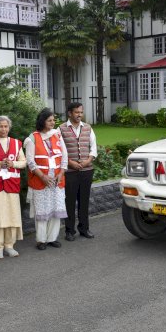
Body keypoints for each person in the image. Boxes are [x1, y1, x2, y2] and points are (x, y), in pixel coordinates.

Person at [0, 116, 26, 259]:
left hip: (11, 186)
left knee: (12, 216)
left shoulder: (16, 143)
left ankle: (10, 246)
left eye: (6, 126)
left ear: (9, 127)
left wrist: (13, 164)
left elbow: (23, 162)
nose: (3, 129)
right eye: (1, 126)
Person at [25, 108, 67, 250]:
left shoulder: (57, 135)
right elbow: (30, 162)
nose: (53, 122)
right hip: (41, 180)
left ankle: (52, 238)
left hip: (57, 180)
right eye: (50, 120)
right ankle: (41, 240)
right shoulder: (32, 138)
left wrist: (61, 172)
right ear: (42, 121)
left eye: (53, 120)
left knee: (56, 208)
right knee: (42, 210)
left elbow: (64, 156)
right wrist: (42, 176)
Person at [59, 102, 97, 240]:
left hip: (86, 171)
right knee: (69, 202)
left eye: (81, 112)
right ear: (70, 113)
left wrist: (88, 161)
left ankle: (84, 228)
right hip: (70, 172)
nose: (79, 115)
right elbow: (60, 151)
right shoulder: (61, 129)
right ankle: (69, 231)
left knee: (84, 201)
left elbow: (93, 147)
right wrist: (70, 163)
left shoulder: (87, 127)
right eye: (76, 112)